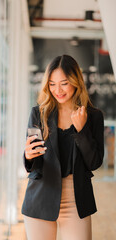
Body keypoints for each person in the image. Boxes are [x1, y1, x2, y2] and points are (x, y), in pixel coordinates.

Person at [21, 54, 104, 240]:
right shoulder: (39, 113)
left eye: (64, 83)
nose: (57, 90)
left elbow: (94, 162)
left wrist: (82, 130)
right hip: (41, 197)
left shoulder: (93, 116)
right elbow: (34, 162)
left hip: (77, 201)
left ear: (76, 81)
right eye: (52, 84)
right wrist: (28, 155)